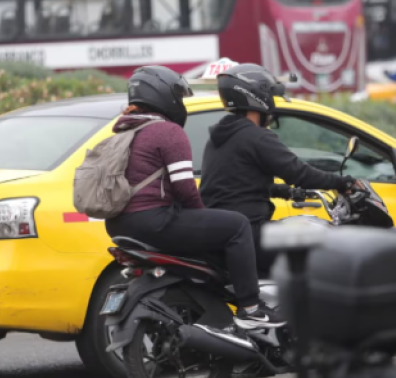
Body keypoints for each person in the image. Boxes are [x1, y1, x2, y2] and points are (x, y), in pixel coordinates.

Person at [104, 65, 284, 330]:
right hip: (154, 221)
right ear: (162, 95)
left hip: (119, 224)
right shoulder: (168, 132)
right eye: (177, 95)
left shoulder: (125, 130)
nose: (180, 102)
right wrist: (202, 215)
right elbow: (185, 188)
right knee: (236, 225)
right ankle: (251, 309)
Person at [199, 63, 357, 276]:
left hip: (223, 233)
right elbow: (300, 173)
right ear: (257, 97)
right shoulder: (257, 137)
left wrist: (286, 192)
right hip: (250, 233)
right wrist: (342, 182)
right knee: (323, 247)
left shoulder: (220, 137)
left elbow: (236, 184)